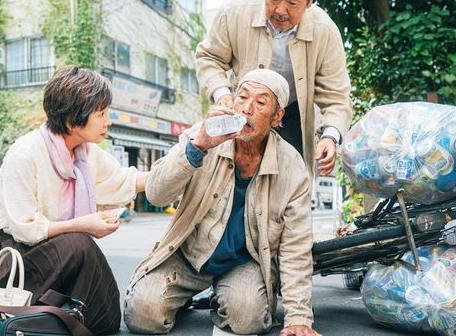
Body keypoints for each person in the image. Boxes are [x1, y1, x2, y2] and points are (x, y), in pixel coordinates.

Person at [124, 69, 321, 336]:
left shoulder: (292, 167)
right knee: (143, 316)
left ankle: (224, 297)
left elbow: (296, 247)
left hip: (244, 262)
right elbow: (157, 194)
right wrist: (197, 147)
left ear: (277, 117)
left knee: (247, 319)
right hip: (189, 255)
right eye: (242, 97)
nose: (247, 108)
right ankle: (188, 297)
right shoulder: (202, 136)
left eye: (261, 103)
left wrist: (299, 319)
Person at [0, 66, 148, 335]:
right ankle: (40, 320)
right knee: (80, 243)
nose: (108, 120)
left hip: (60, 251)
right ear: (72, 122)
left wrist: (188, 161)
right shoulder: (25, 152)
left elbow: (124, 180)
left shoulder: (85, 153)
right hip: (12, 255)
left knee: (106, 319)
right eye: (101, 114)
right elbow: (25, 228)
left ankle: (49, 321)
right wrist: (84, 224)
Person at [196, 0, 352, 180]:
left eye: (292, 1)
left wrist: (330, 136)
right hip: (241, 108)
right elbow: (209, 57)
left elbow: (337, 96)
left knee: (290, 179)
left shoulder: (325, 31)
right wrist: (222, 94)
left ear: (309, 1)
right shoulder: (235, 10)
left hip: (291, 112)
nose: (280, 10)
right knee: (228, 176)